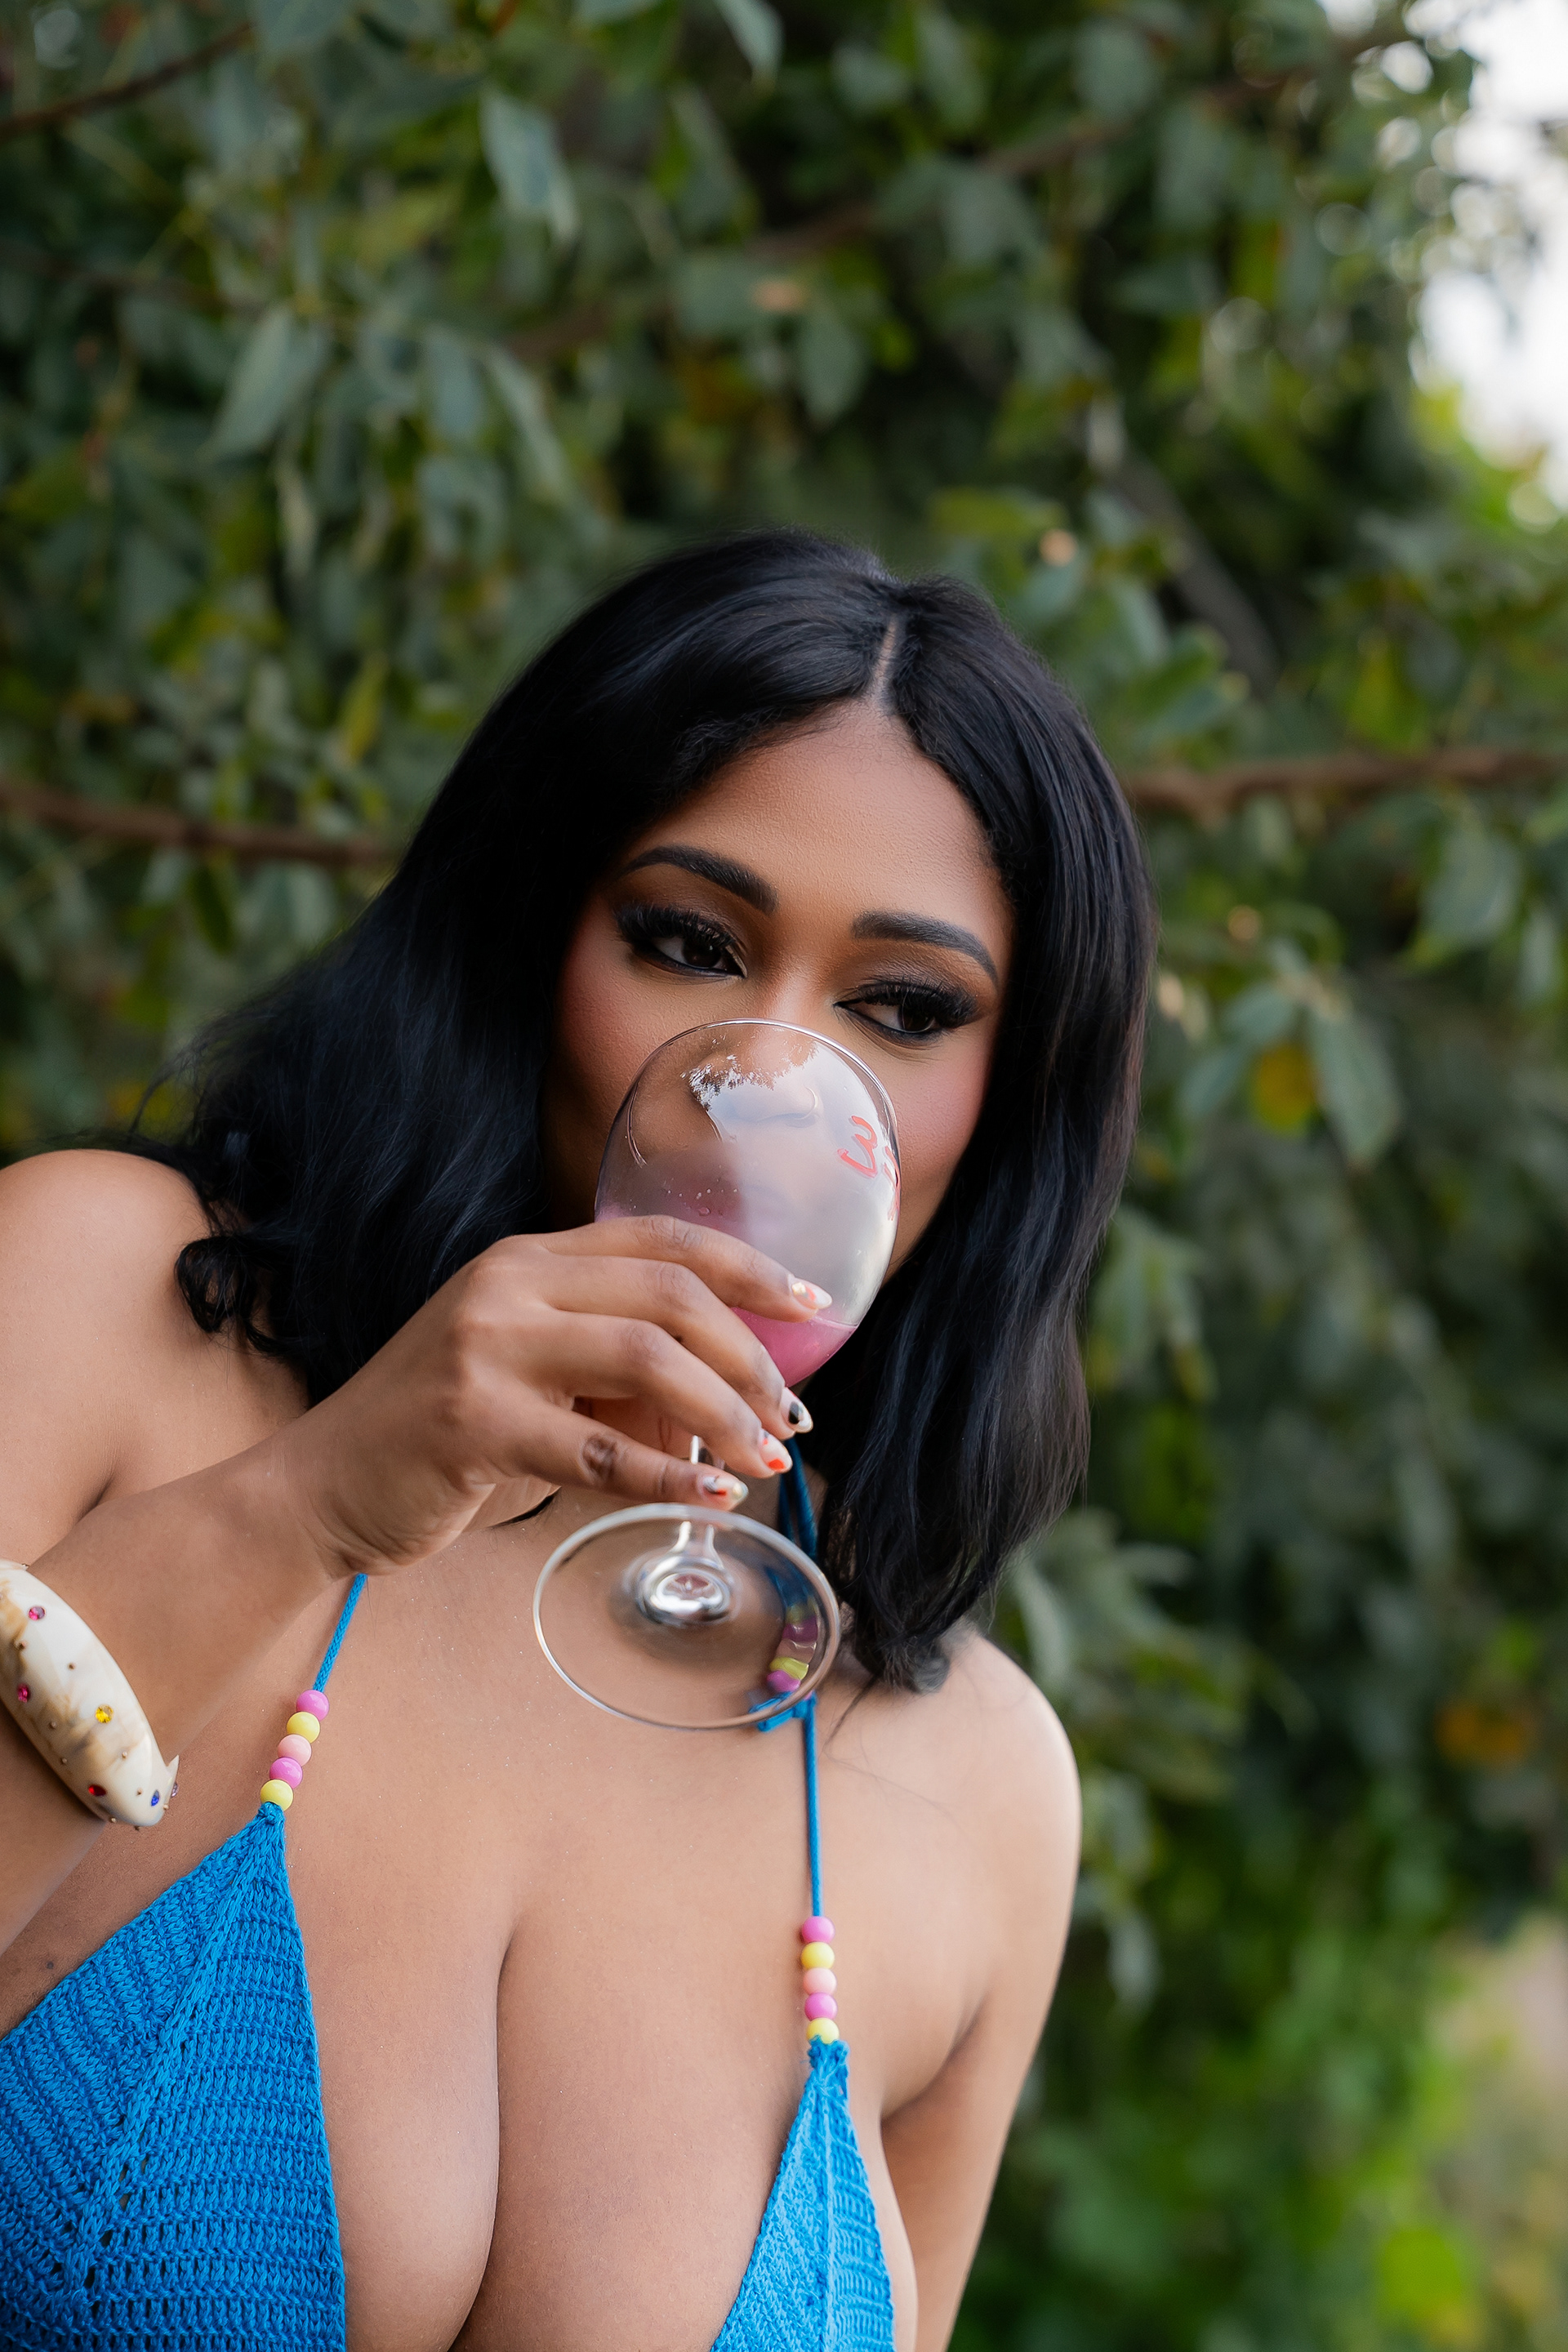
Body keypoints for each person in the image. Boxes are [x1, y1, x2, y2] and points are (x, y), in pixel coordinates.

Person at [0, 531, 1153, 2352]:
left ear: (1007, 1106)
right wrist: (309, 1503)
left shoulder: (979, 1794)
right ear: (527, 934)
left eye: (904, 1009)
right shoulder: (97, 1304)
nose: (772, 1083)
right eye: (689, 944)